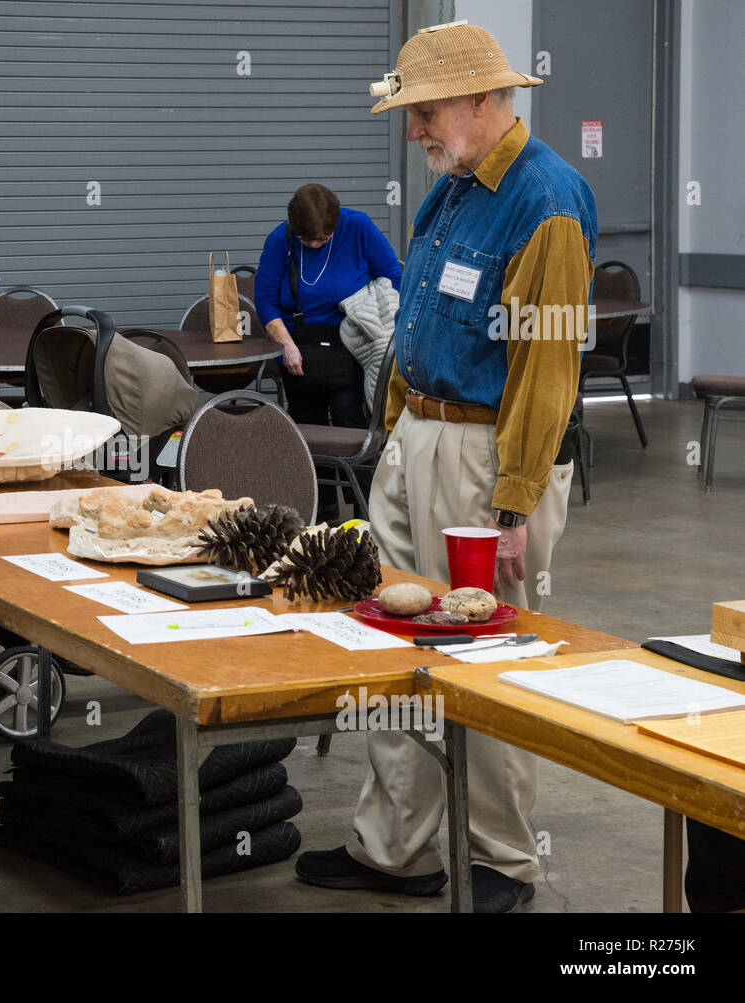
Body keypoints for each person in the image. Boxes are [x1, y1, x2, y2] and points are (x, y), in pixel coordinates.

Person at [294, 21, 595, 913]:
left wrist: (515, 506)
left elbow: (548, 371)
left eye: (424, 112)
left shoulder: (547, 200)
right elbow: (412, 325)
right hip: (418, 439)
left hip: (490, 454)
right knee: (395, 653)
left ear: (477, 100)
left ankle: (502, 859)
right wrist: (390, 440)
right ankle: (398, 847)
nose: (415, 130)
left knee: (490, 657)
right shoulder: (452, 191)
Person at [255, 184, 400, 522]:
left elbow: (393, 278)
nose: (316, 244)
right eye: (309, 240)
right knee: (307, 428)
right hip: (299, 345)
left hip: (352, 340)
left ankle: (366, 514)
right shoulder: (281, 240)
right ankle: (322, 515)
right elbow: (265, 301)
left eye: (322, 238)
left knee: (352, 422)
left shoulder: (358, 226)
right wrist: (286, 344)